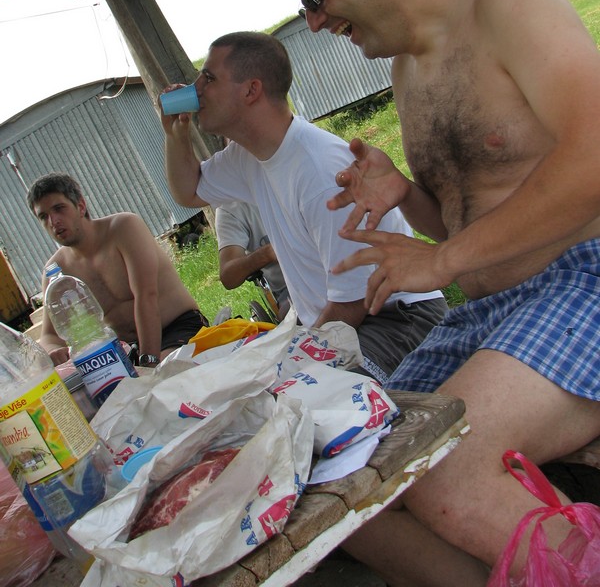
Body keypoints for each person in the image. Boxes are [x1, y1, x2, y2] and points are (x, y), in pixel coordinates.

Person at [276, 0, 600, 584]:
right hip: (493, 311)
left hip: (585, 276)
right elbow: (465, 222)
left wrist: (444, 260)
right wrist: (404, 193)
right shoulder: (406, 71)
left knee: (445, 463)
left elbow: (595, 154)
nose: (316, 22)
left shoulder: (506, 0)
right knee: (349, 480)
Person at [161, 31, 447, 384]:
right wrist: (176, 134)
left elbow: (353, 301)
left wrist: (298, 361)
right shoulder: (248, 156)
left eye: (208, 77)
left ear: (251, 90)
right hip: (341, 320)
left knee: (306, 397)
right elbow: (189, 190)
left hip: (395, 316)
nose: (196, 89)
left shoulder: (320, 172)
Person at [27, 172, 209, 367]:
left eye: (59, 209)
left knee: (168, 369)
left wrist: (148, 362)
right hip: (124, 350)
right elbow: (49, 336)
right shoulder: (56, 270)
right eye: (43, 217)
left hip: (177, 326)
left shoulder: (123, 227)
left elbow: (146, 296)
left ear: (80, 206)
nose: (53, 221)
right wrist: (52, 351)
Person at [215, 200, 291, 319]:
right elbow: (229, 277)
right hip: (289, 288)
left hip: (321, 267)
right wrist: (267, 253)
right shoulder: (229, 209)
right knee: (299, 313)